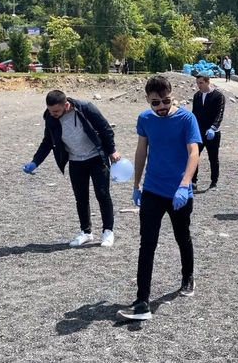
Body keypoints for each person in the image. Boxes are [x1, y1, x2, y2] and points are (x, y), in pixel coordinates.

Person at [117, 76, 201, 321]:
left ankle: (188, 276)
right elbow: (142, 150)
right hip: (152, 190)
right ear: (147, 100)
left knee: (182, 237)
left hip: (179, 191)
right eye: (156, 103)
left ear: (172, 95)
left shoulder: (187, 118)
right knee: (147, 244)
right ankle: (142, 300)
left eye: (165, 100)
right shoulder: (144, 120)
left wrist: (184, 185)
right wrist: (136, 185)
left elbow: (194, 152)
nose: (161, 106)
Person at [23, 90, 121, 247]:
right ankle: (86, 233)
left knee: (103, 195)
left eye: (56, 111)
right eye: (50, 111)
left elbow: (105, 129)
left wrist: (111, 151)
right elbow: (48, 141)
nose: (52, 114)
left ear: (66, 105)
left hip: (96, 158)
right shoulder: (50, 117)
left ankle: (108, 232)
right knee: (81, 198)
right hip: (76, 161)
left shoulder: (86, 108)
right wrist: (35, 162)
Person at [191, 73, 225, 191]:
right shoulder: (197, 96)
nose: (199, 85)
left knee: (213, 158)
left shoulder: (218, 96)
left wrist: (213, 128)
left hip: (213, 133)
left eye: (201, 83)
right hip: (199, 132)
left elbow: (219, 114)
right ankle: (193, 181)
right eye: (197, 83)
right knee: (194, 156)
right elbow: (194, 114)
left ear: (207, 82)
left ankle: (214, 181)